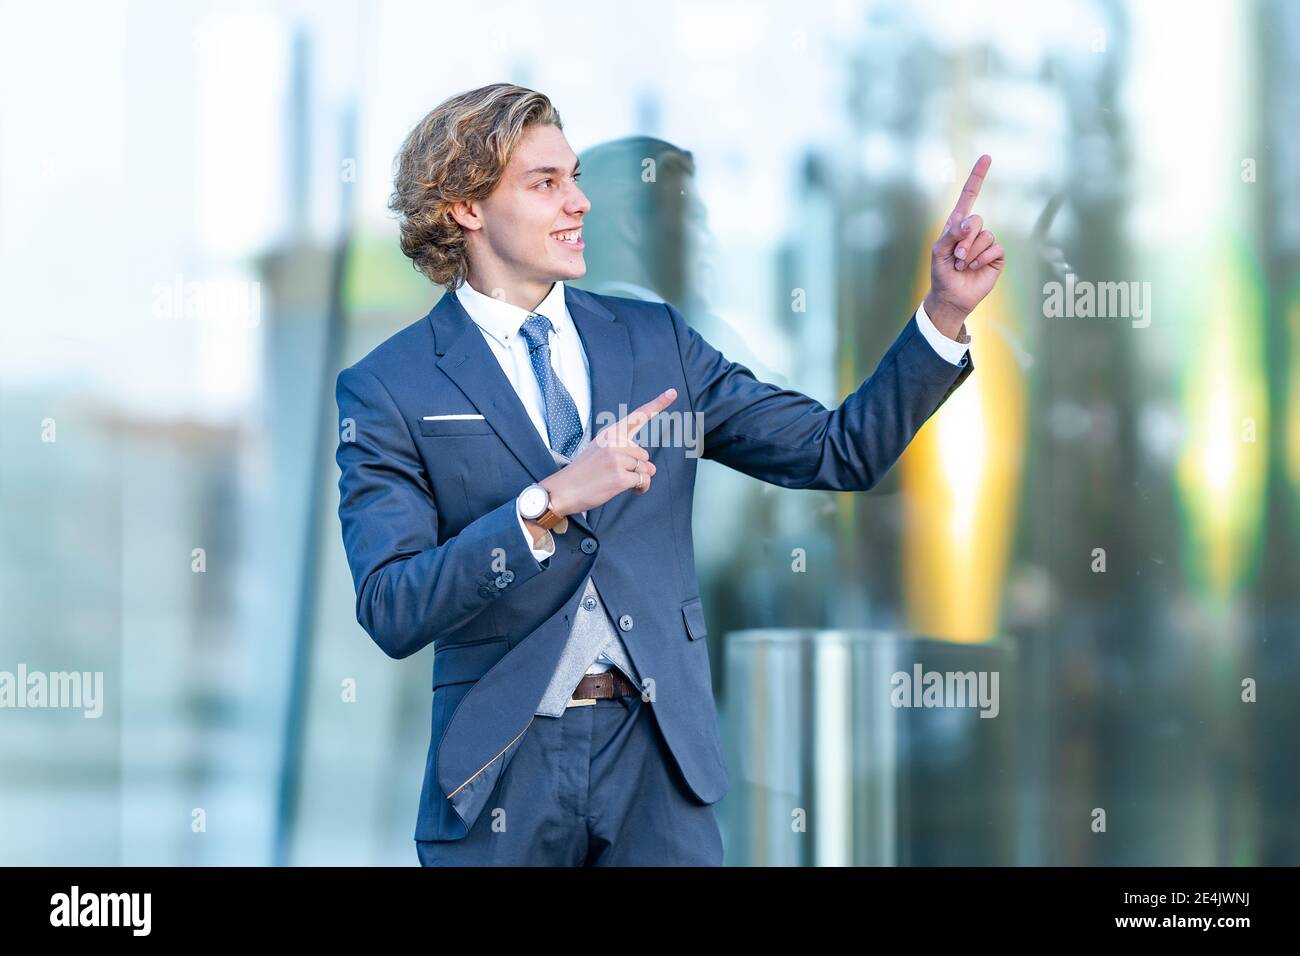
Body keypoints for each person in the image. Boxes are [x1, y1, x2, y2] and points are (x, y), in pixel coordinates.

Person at [334, 82, 1004, 866]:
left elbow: (837, 449)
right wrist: (542, 507)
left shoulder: (656, 342)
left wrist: (944, 316)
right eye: (545, 183)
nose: (578, 201)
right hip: (500, 773)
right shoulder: (390, 387)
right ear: (465, 208)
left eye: (575, 176)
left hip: (657, 764)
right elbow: (391, 605)